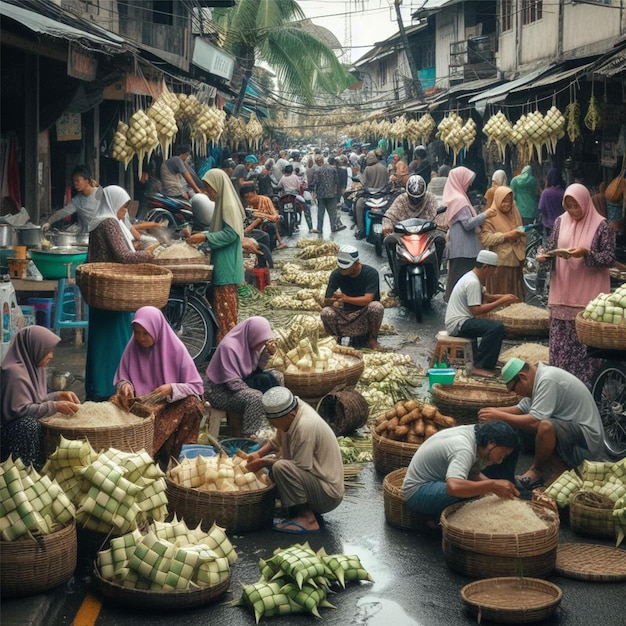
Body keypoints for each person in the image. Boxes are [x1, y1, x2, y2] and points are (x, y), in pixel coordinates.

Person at [479, 358, 608, 489]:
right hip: (570, 433)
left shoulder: (548, 379)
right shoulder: (537, 379)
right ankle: (558, 469)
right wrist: (491, 412)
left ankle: (537, 470)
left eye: (514, 388)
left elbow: (536, 421)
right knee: (519, 423)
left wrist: (500, 415)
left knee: (545, 427)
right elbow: (520, 409)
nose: (516, 393)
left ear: (522, 377)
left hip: (586, 443)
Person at [537, 183, 615, 387]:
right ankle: (559, 391)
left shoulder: (601, 225)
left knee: (585, 352)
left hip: (588, 298)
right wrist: (545, 256)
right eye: (569, 206)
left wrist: (586, 254)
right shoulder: (560, 222)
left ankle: (587, 393)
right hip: (562, 294)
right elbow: (552, 247)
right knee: (561, 349)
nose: (572, 211)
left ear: (585, 202)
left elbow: (608, 257)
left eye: (576, 206)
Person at [85, 186, 157, 401]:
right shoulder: (109, 223)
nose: (124, 211)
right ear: (113, 203)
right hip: (114, 293)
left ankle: (98, 387)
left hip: (102, 291)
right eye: (123, 207)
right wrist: (147, 254)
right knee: (116, 341)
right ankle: (113, 387)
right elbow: (124, 256)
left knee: (101, 341)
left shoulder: (98, 222)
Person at [245, 386, 344, 533]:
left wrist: (264, 462)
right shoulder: (289, 409)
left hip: (327, 494)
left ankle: (308, 518)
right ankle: (294, 509)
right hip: (313, 481)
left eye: (275, 423)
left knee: (280, 467)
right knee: (275, 465)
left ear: (291, 415)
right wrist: (258, 454)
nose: (275, 427)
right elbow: (275, 442)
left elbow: (299, 467)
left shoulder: (305, 426)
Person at [112, 307, 204, 463]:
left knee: (193, 406)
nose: (140, 338)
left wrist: (172, 389)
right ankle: (130, 456)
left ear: (157, 329)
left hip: (168, 405)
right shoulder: (132, 347)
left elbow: (196, 386)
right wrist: (125, 386)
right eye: (137, 332)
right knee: (114, 402)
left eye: (145, 333)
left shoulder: (176, 349)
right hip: (142, 404)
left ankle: (176, 456)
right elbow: (122, 377)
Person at [402, 421, 520, 518]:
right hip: (417, 492)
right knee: (471, 494)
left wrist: (495, 490)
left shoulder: (474, 434)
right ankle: (432, 520)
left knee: (479, 490)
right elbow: (454, 487)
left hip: (435, 482)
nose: (500, 460)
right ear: (491, 443)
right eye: (502, 454)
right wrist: (492, 485)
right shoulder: (464, 449)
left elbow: (473, 474)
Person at [1, 326, 80, 469]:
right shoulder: (14, 373)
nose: (51, 356)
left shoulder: (36, 369)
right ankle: (24, 471)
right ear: (33, 348)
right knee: (29, 425)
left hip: (21, 426)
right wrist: (55, 406)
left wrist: (57, 396)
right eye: (47, 351)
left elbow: (36, 400)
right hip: (8, 434)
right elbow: (20, 410)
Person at [186, 169, 246, 342]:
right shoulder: (222, 204)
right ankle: (225, 346)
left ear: (218, 186)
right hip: (224, 261)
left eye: (209, 188)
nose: (207, 192)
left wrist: (205, 236)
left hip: (227, 265)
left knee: (226, 311)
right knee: (222, 309)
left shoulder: (227, 206)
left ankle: (228, 348)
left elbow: (231, 234)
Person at [445, 250, 520, 377]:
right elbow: (477, 310)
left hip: (462, 321)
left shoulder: (472, 277)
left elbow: (486, 296)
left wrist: (504, 296)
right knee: (496, 328)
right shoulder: (472, 282)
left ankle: (482, 362)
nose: (494, 273)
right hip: (458, 324)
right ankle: (480, 366)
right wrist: (502, 301)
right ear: (485, 267)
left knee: (494, 327)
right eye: (493, 269)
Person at [204, 317, 280, 437]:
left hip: (240, 382)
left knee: (276, 376)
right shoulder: (229, 347)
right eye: (261, 340)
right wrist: (259, 395)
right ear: (253, 334)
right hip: (221, 391)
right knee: (255, 398)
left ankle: (276, 418)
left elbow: (256, 369)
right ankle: (249, 435)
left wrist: (267, 353)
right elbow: (233, 383)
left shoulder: (249, 343)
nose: (262, 344)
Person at [382, 175, 445, 295]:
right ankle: (396, 277)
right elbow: (389, 214)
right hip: (404, 235)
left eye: (419, 198)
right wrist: (387, 224)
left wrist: (442, 222)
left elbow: (438, 213)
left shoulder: (430, 198)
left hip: (427, 233)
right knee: (388, 241)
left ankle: (436, 277)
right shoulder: (401, 199)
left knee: (440, 240)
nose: (416, 201)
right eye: (413, 198)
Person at [443, 166, 497, 301]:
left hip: (461, 247)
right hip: (465, 248)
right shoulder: (459, 199)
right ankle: (457, 305)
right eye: (467, 181)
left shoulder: (456, 197)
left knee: (457, 277)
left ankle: (455, 303)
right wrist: (486, 214)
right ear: (459, 180)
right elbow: (468, 224)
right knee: (461, 278)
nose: (469, 185)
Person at [321, 245, 384, 350]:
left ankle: (372, 339)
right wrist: (333, 301)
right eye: (340, 267)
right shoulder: (336, 275)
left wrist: (346, 298)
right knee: (326, 312)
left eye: (346, 267)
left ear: (356, 264)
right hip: (345, 313)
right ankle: (335, 339)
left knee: (376, 307)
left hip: (364, 313)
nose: (342, 270)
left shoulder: (371, 273)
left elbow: (368, 299)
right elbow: (326, 301)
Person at [479, 186, 527, 301]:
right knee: (499, 296)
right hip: (499, 264)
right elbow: (485, 239)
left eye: (509, 201)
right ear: (497, 200)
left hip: (515, 263)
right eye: (503, 201)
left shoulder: (514, 214)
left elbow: (523, 237)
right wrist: (506, 236)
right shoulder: (491, 217)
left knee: (513, 296)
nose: (506, 204)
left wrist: (519, 236)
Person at [42, 165, 102, 234]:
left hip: (102, 233)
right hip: (87, 236)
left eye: (78, 180)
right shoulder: (77, 200)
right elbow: (63, 212)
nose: (75, 183)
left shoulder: (100, 193)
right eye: (74, 181)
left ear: (87, 180)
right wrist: (49, 222)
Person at [354, 150, 389, 240]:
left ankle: (360, 229)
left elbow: (362, 182)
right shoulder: (384, 168)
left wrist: (358, 187)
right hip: (383, 196)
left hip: (370, 196)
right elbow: (388, 182)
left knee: (358, 205)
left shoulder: (368, 169)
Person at [311, 155, 340, 234]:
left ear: (317, 162)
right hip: (332, 194)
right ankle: (333, 227)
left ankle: (319, 229)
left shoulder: (317, 170)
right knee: (332, 212)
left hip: (321, 194)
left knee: (320, 212)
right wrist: (335, 191)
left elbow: (315, 182)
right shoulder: (332, 169)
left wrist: (314, 193)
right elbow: (337, 181)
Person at [537, 168, 564, 236]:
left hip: (549, 225)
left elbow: (541, 207)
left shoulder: (546, 192)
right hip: (562, 225)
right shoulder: (563, 192)